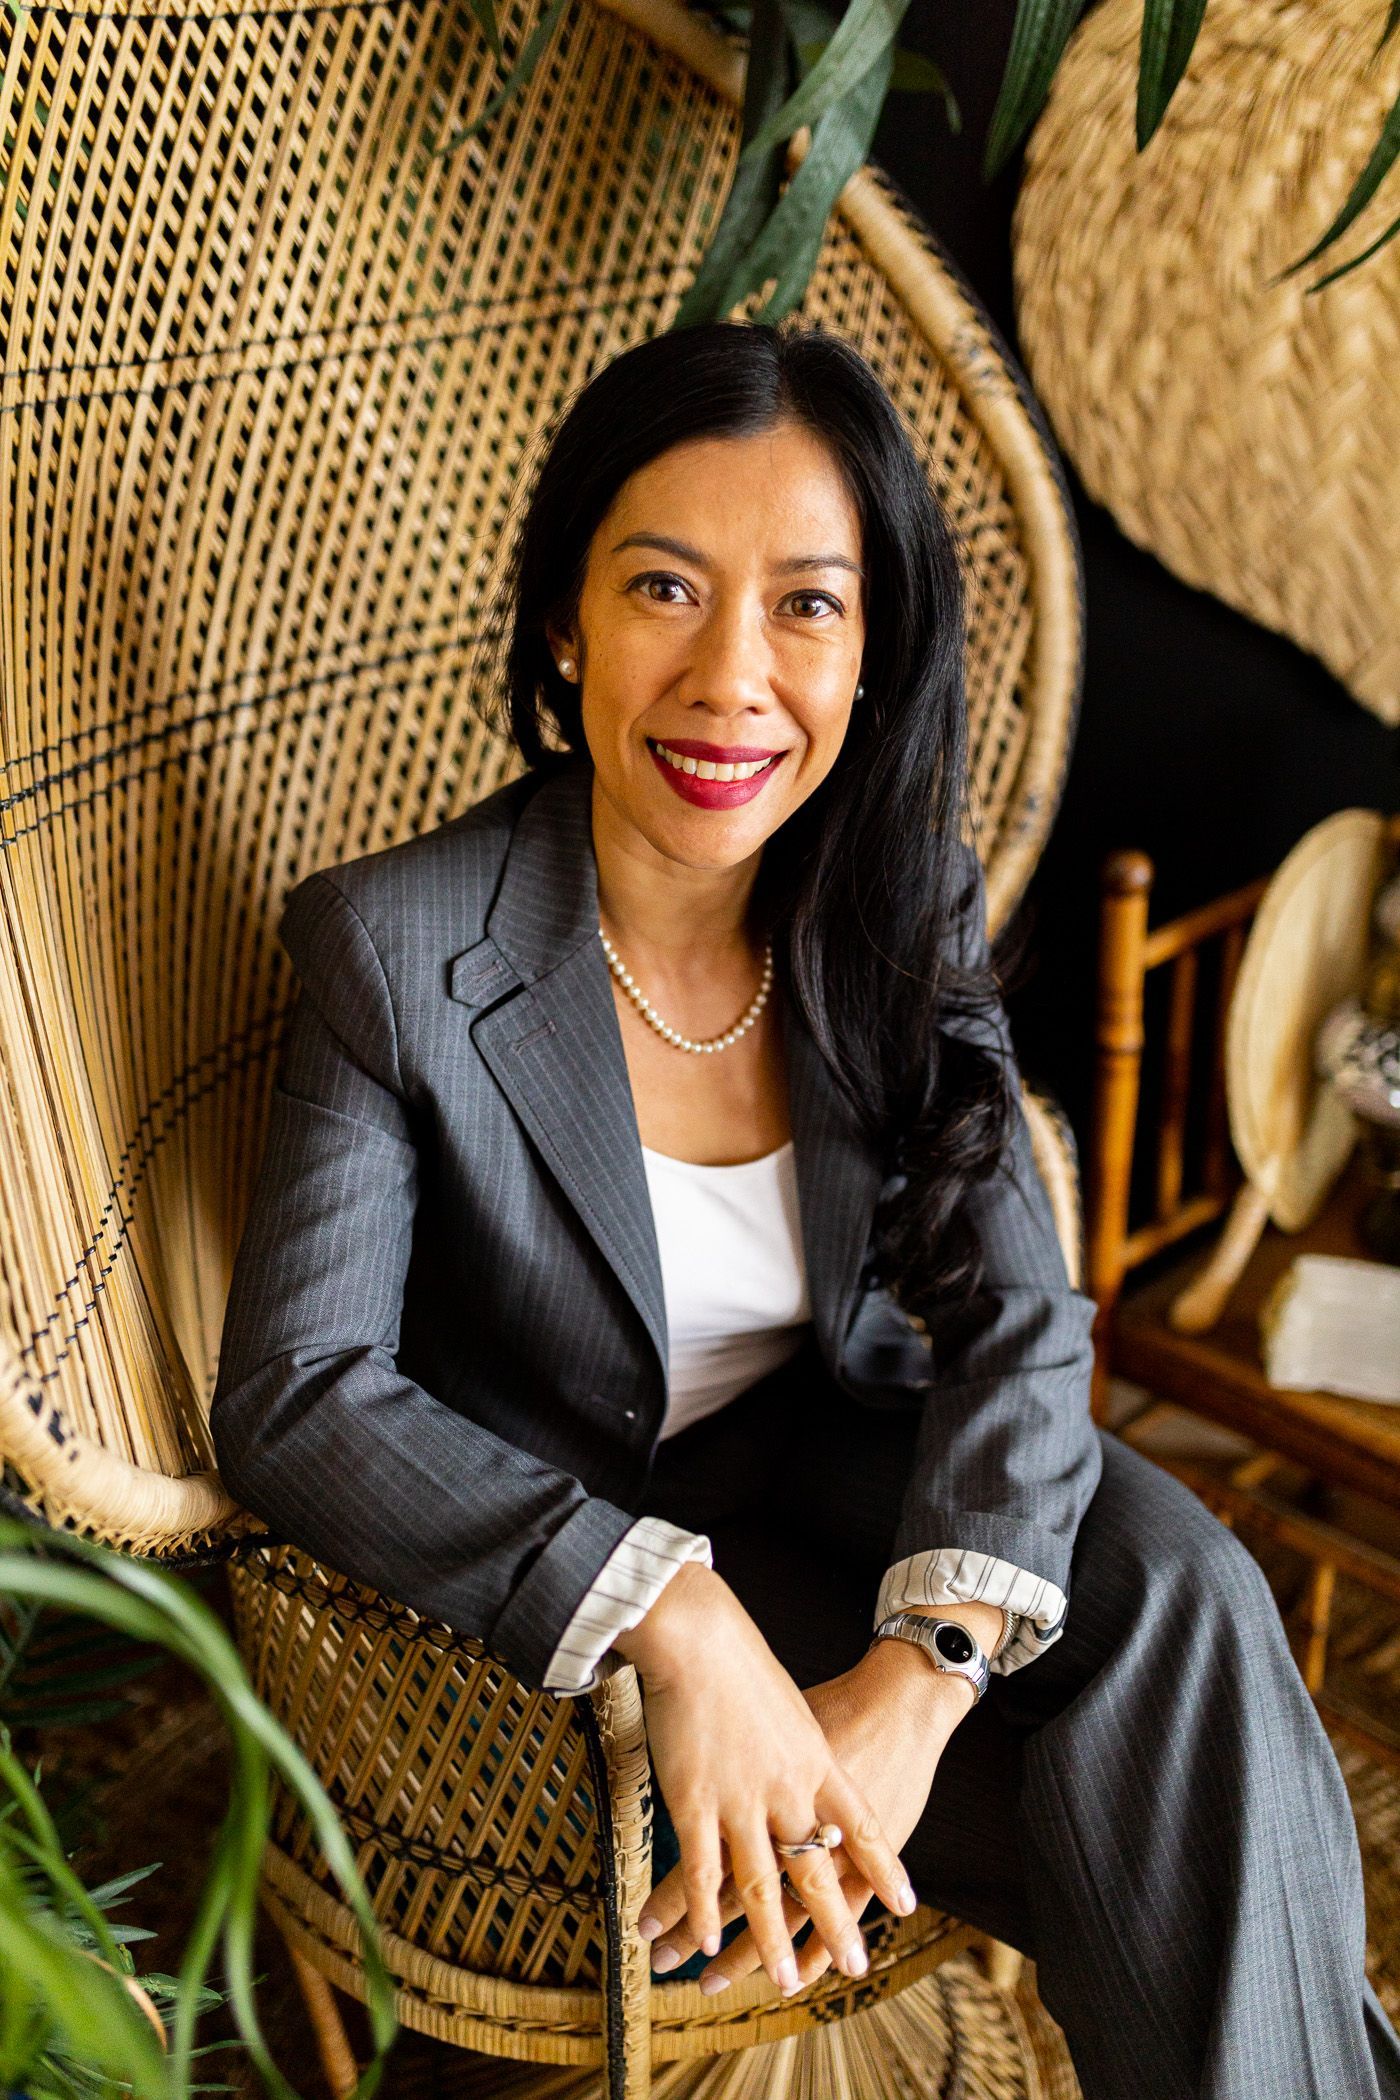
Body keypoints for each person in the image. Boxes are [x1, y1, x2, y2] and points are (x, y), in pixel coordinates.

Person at [211, 319, 1400, 2099]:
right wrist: (675, 1620)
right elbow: (301, 1392)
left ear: (871, 654)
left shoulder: (897, 901)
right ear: (566, 617)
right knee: (1171, 1794)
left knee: (1188, 1600)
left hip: (845, 1490)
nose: (732, 679)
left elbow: (1018, 1314)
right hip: (574, 1578)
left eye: (808, 607)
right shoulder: (396, 948)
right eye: (667, 588)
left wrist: (916, 1682)